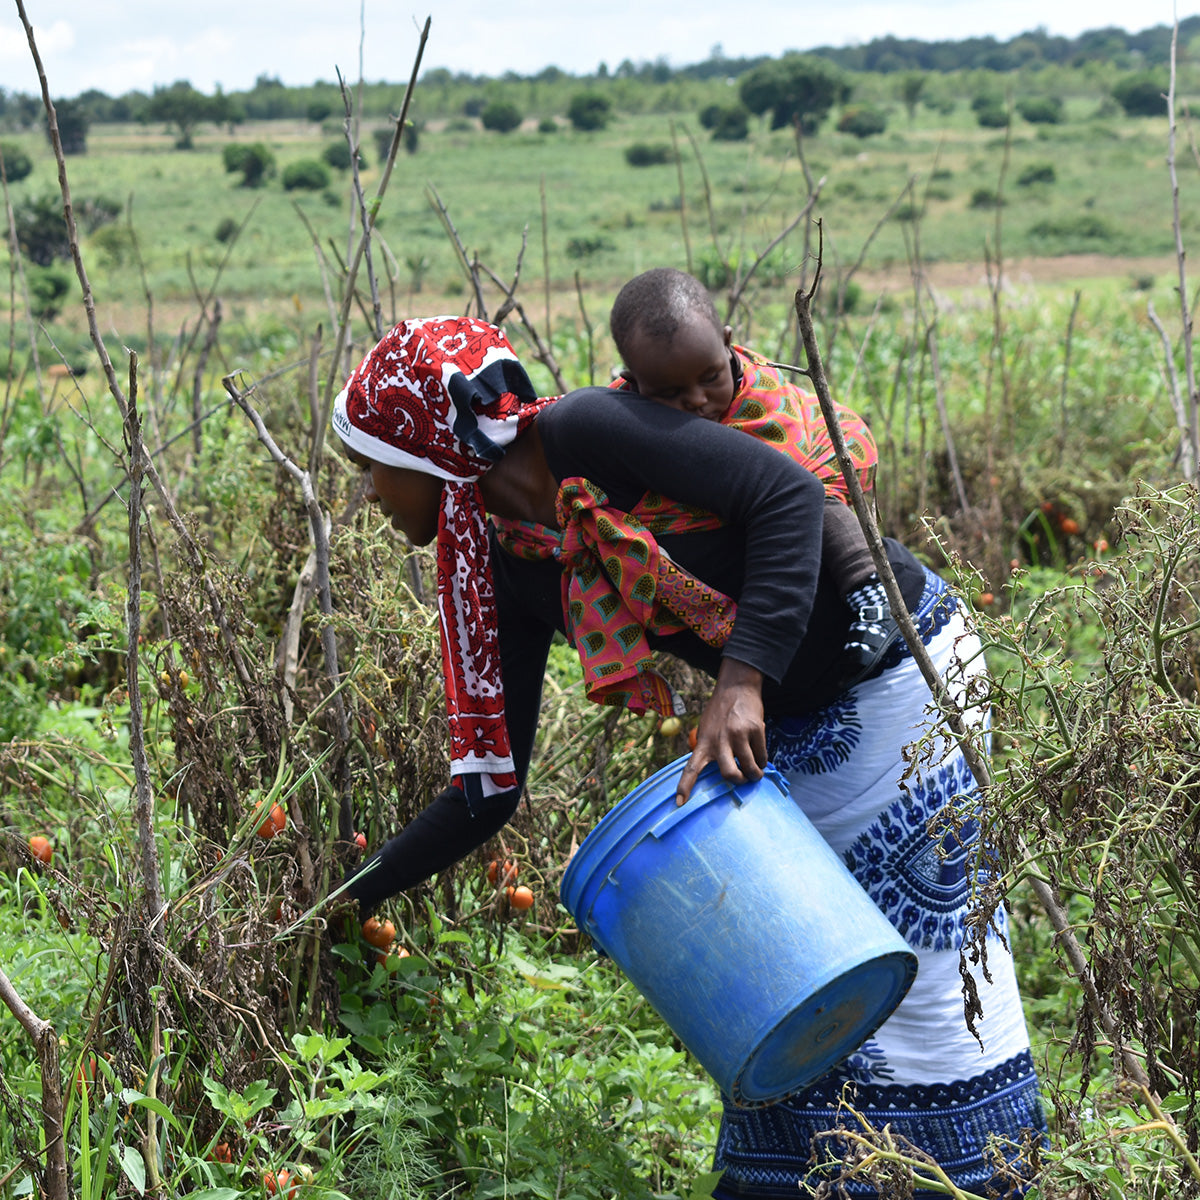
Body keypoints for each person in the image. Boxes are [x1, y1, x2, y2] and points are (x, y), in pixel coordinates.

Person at [332, 314, 1046, 1197]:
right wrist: (343, 899)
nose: (369, 493)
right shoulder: (509, 561)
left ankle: (982, 1177)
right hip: (790, 706)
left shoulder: (588, 431)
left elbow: (788, 497)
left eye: (371, 466)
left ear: (428, 451)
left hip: (896, 670)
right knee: (795, 986)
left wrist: (738, 683)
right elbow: (488, 792)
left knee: (917, 967)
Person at [608, 266, 900, 691]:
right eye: (670, 394)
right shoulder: (620, 419)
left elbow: (786, 479)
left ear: (727, 343)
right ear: (634, 382)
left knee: (802, 494)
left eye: (711, 377)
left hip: (810, 463)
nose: (697, 401)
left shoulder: (760, 403)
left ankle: (872, 593)